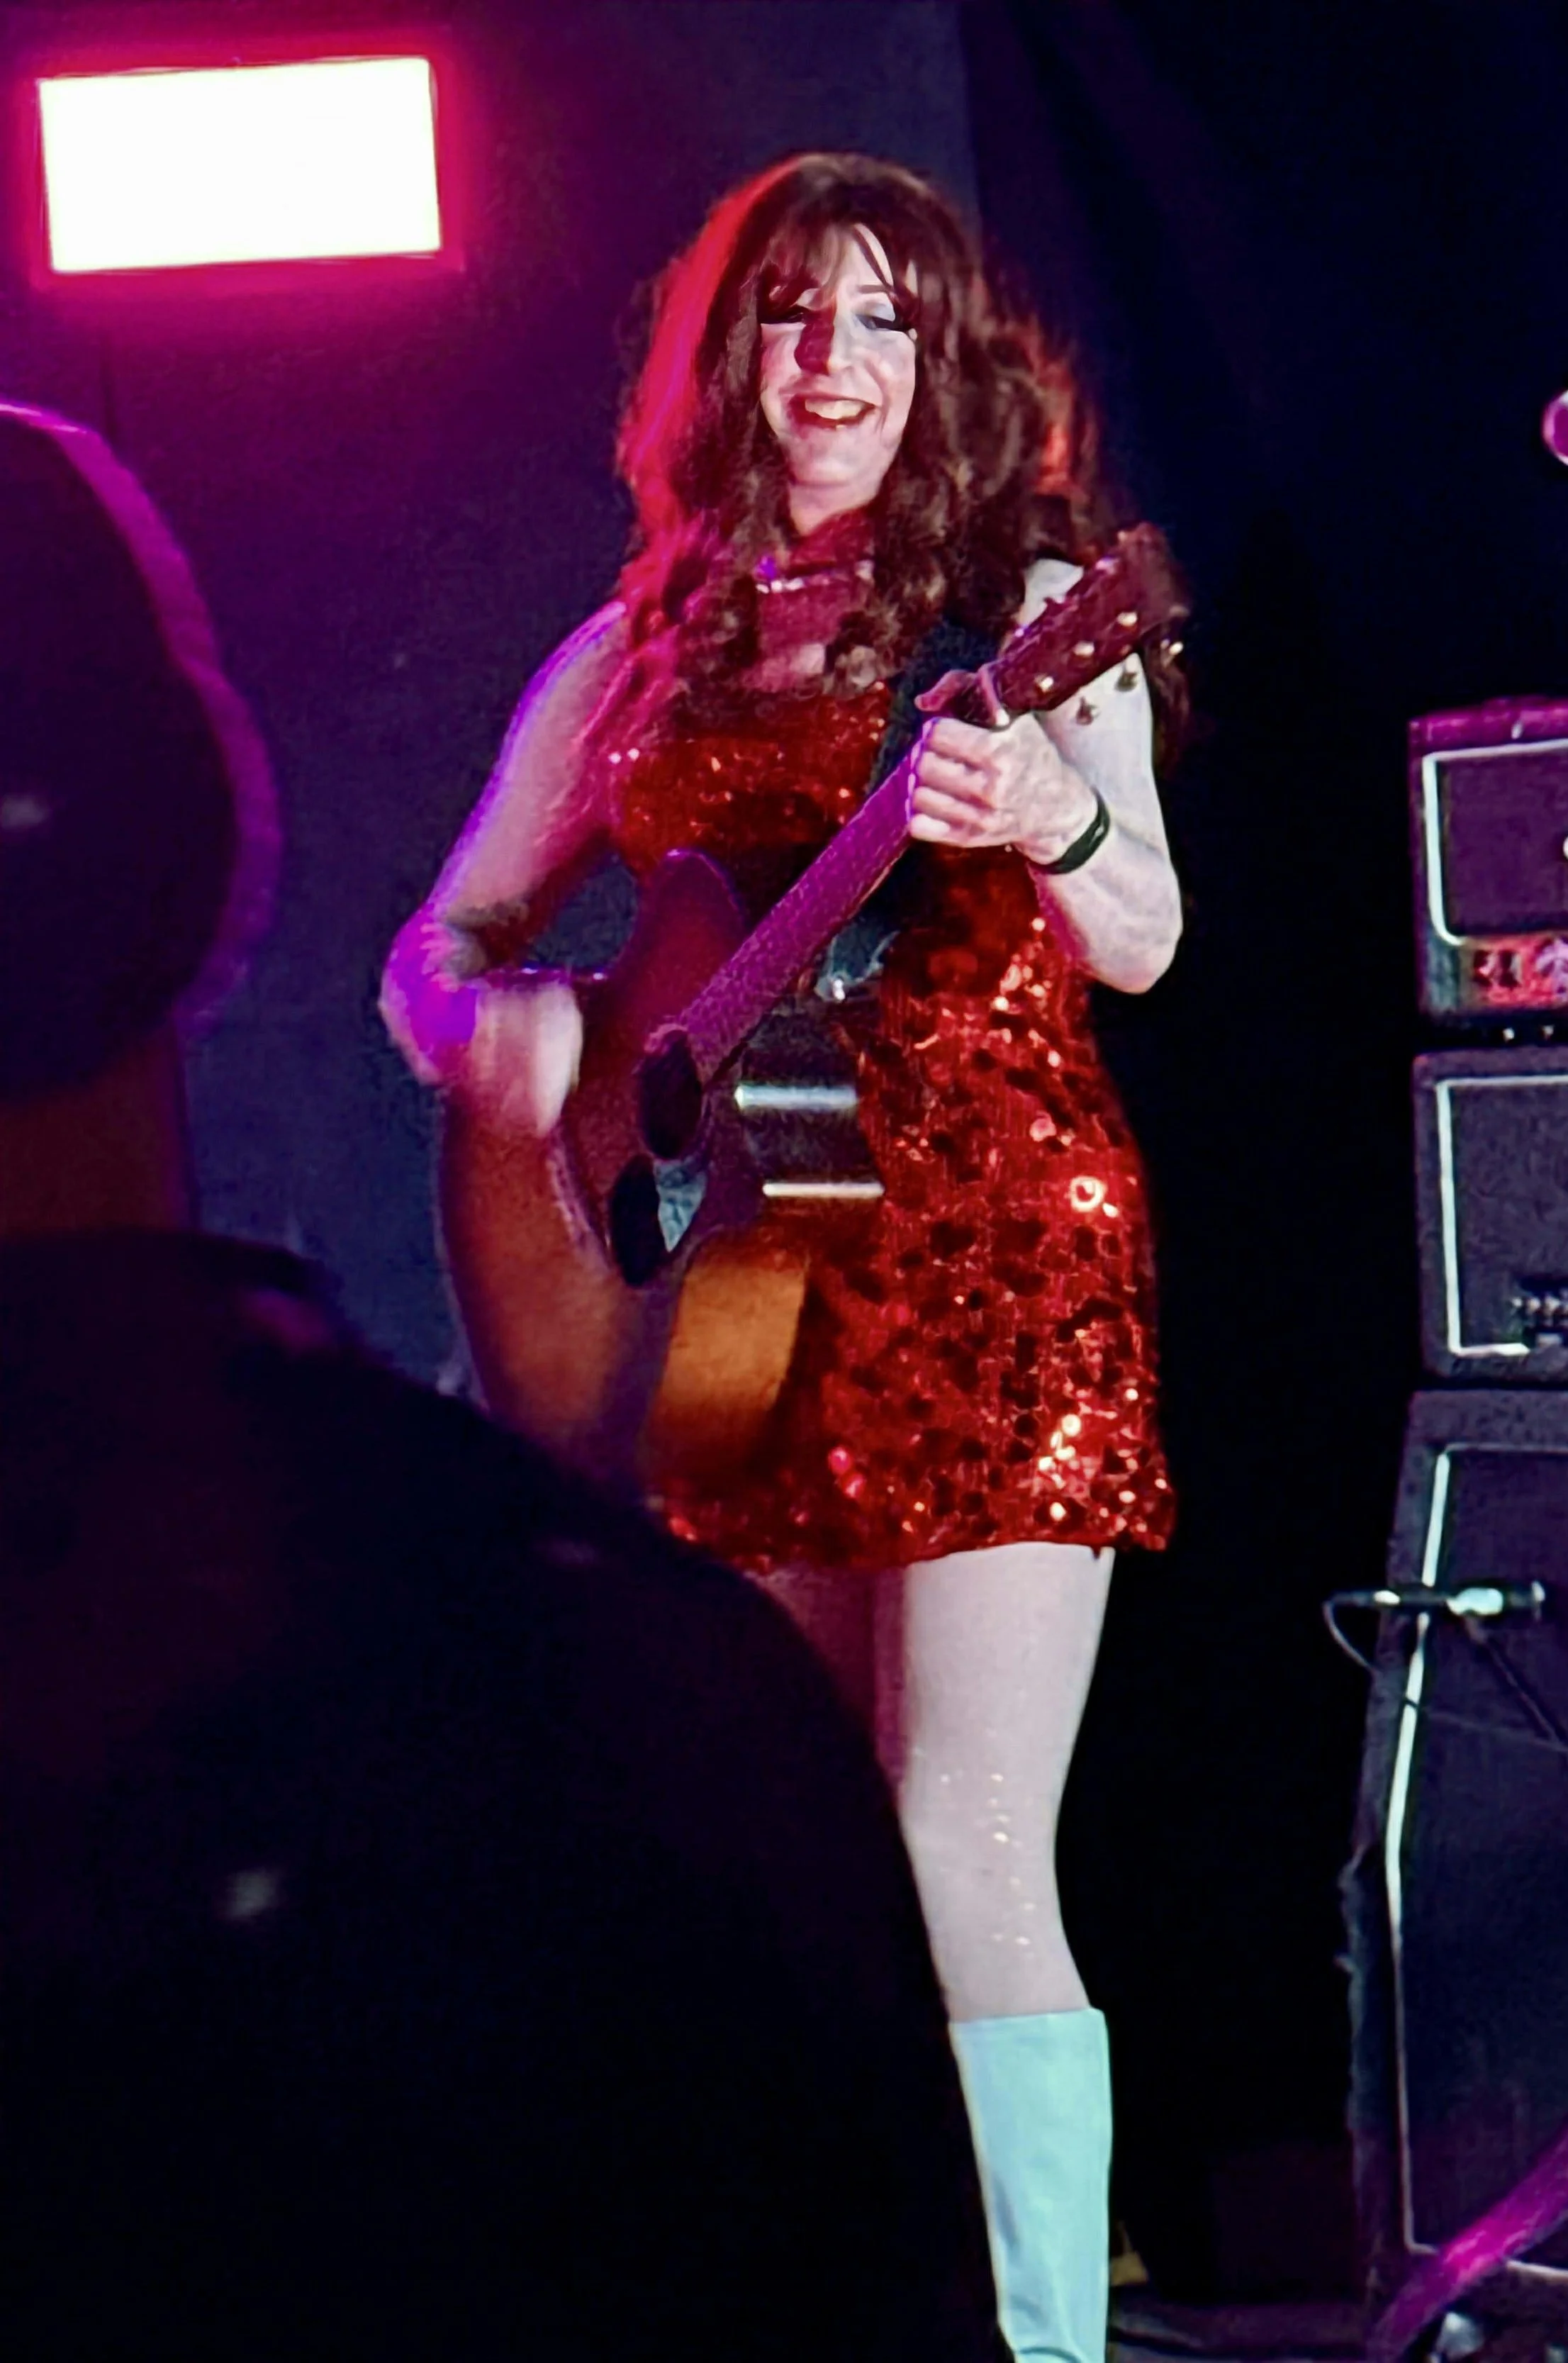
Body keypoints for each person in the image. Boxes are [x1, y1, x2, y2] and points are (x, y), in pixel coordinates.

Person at [0, 398, 1005, 2360]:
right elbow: (446, 951)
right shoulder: (623, 1679)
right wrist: (518, 1039)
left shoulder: (955, 647)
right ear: (206, 871)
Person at [382, 152, 1184, 2363]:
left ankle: (1035, 2337)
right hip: (741, 1288)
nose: (833, 360)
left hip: (998, 1256)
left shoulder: (1027, 609)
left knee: (958, 1836)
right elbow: (439, 943)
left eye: (883, 320)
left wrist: (1052, 815)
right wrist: (510, 1034)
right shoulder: (642, 643)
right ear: (723, 350)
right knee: (797, 1842)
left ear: (945, 364)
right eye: (791, 311)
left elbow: (1142, 932)